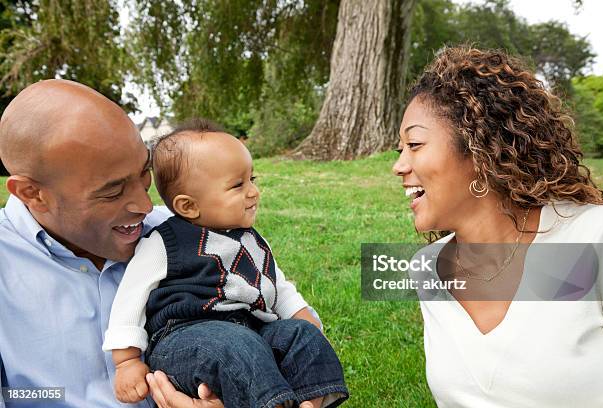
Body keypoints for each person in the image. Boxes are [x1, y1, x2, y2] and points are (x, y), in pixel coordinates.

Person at [392, 47, 603, 407]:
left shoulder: (598, 236)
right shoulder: (425, 270)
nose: (399, 166)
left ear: (479, 152)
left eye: (414, 145)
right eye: (399, 150)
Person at [0, 79, 230, 407]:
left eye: (144, 173)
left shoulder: (180, 233)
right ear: (32, 193)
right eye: (112, 191)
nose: (145, 205)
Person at [102, 120, 348, 408]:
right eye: (237, 185)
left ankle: (310, 402)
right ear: (188, 206)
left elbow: (276, 285)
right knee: (235, 344)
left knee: (303, 334)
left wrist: (302, 316)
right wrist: (127, 361)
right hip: (187, 338)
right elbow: (131, 298)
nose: (254, 192)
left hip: (251, 332)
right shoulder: (165, 242)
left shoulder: (253, 239)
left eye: (252, 180)